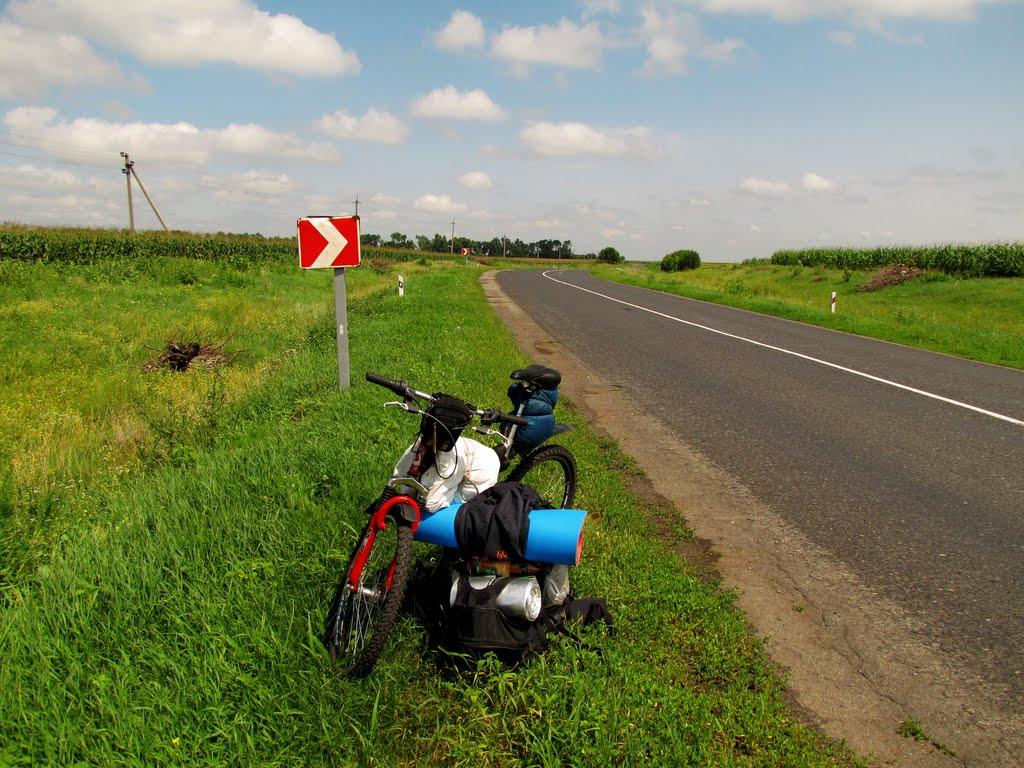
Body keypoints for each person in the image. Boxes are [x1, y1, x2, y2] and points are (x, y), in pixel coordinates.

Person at [391, 394, 499, 513]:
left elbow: (432, 503)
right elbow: (398, 475)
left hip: (483, 468)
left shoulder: (450, 461)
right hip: (470, 453)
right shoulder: (417, 446)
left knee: (442, 506)